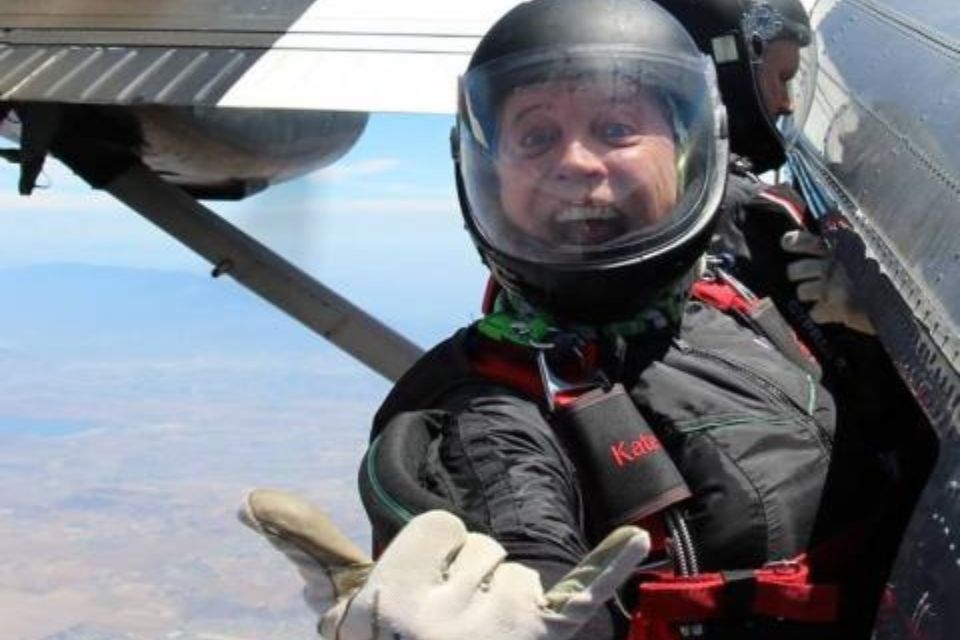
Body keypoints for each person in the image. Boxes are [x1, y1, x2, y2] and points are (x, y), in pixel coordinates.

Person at [242, 1, 895, 638]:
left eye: (615, 129)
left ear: (689, 154)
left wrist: (880, 334)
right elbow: (518, 538)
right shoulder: (482, 413)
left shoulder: (747, 287)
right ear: (488, 174)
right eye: (534, 136)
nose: (575, 162)